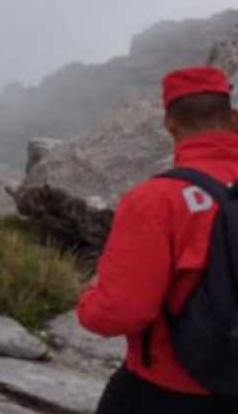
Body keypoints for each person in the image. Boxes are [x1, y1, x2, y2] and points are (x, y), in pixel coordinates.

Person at [78, 66, 238, 413]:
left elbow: (120, 312)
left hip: (169, 388)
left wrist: (87, 301)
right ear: (233, 118)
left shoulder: (156, 200)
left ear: (169, 123)